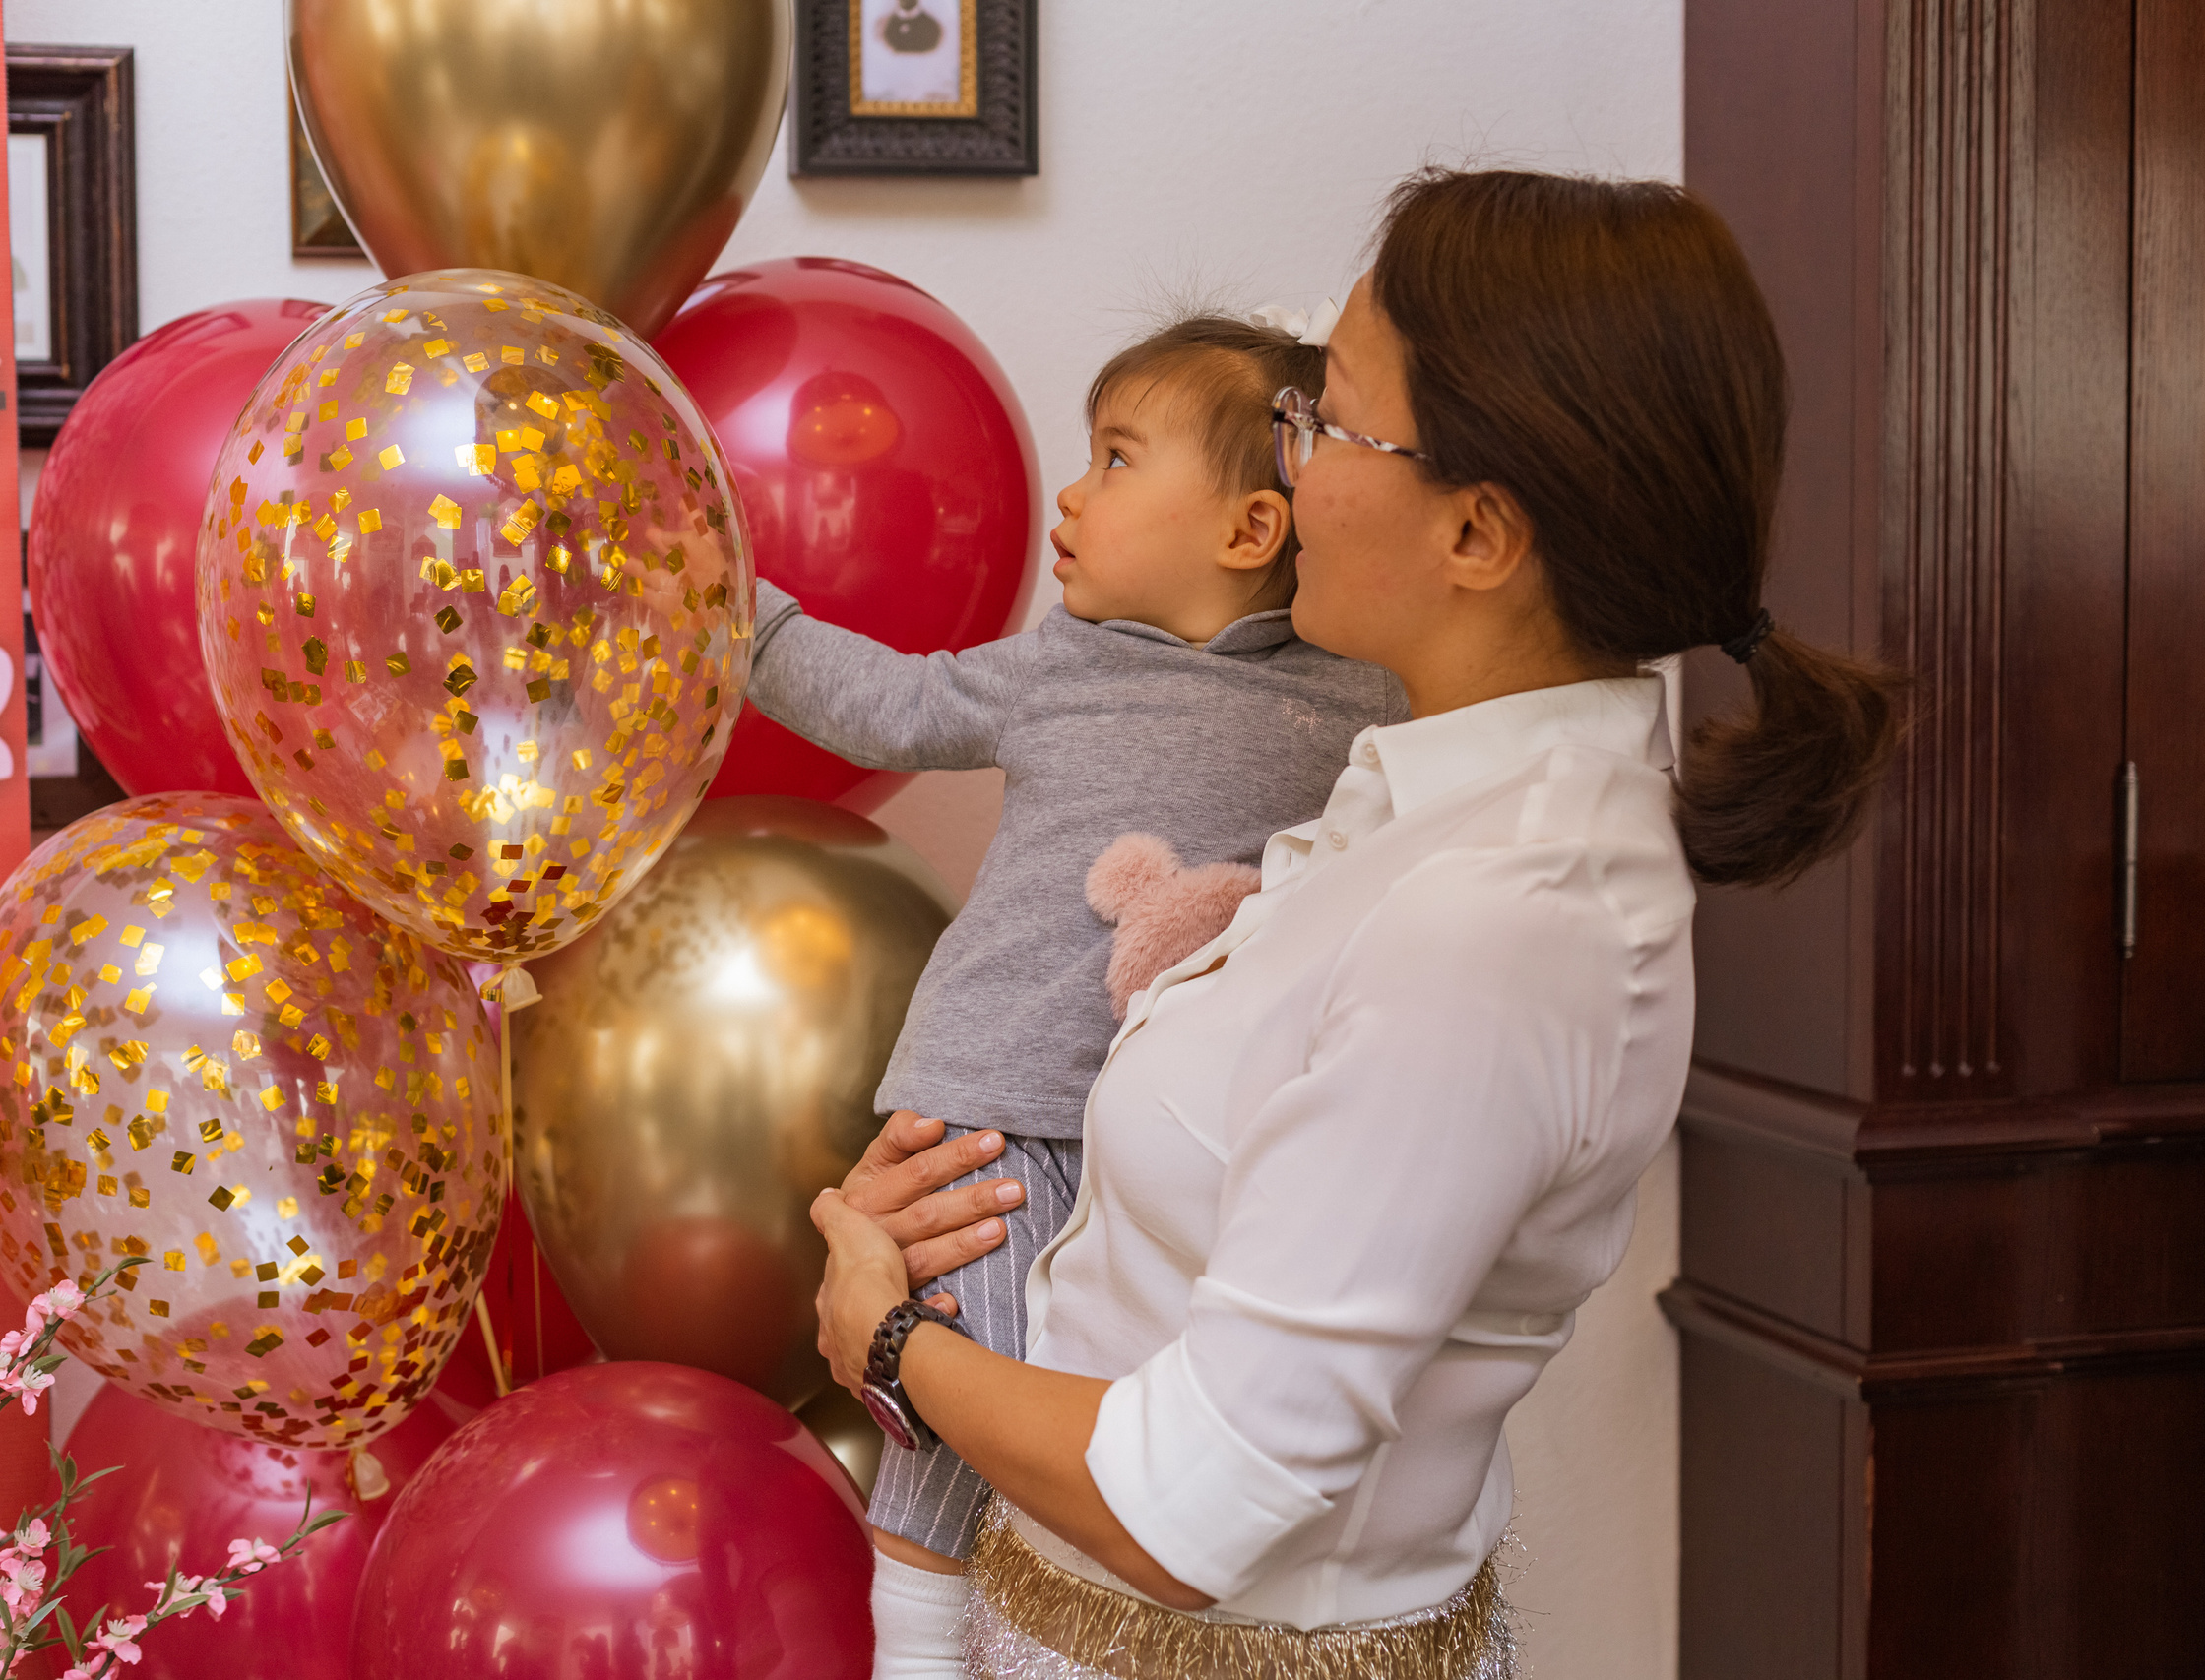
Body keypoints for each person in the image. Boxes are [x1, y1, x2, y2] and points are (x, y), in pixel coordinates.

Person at [814, 168, 1903, 1678]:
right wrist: (946, 1213)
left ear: (1478, 534)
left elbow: (1192, 1503)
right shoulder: (1394, 795)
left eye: (1329, 421)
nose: (1296, 472)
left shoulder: (1504, 922)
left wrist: (884, 1343)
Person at [739, 314, 1408, 1670]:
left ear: (1248, 530)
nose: (1071, 492)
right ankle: (917, 1656)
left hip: (1191, 1138)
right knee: (943, 1404)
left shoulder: (1363, 702)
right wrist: (737, 612)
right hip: (995, 1112)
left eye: (1114, 459)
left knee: (1115, 1421)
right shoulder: (1063, 666)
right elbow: (893, 705)